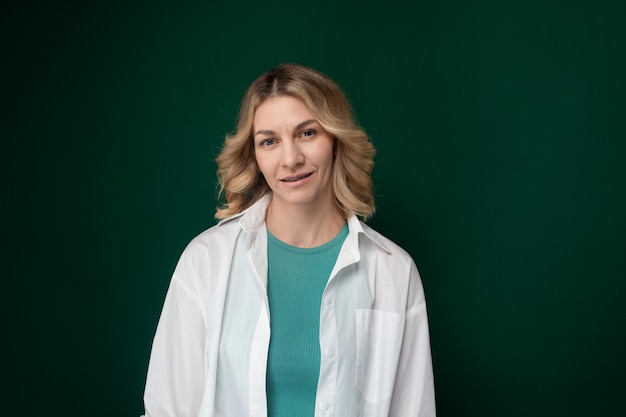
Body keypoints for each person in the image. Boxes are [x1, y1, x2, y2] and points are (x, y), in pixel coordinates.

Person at [142, 63, 436, 417]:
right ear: (254, 155)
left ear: (335, 140)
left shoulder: (394, 271)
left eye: (307, 133)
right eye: (269, 141)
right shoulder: (206, 260)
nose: (291, 159)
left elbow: (414, 410)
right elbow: (167, 408)